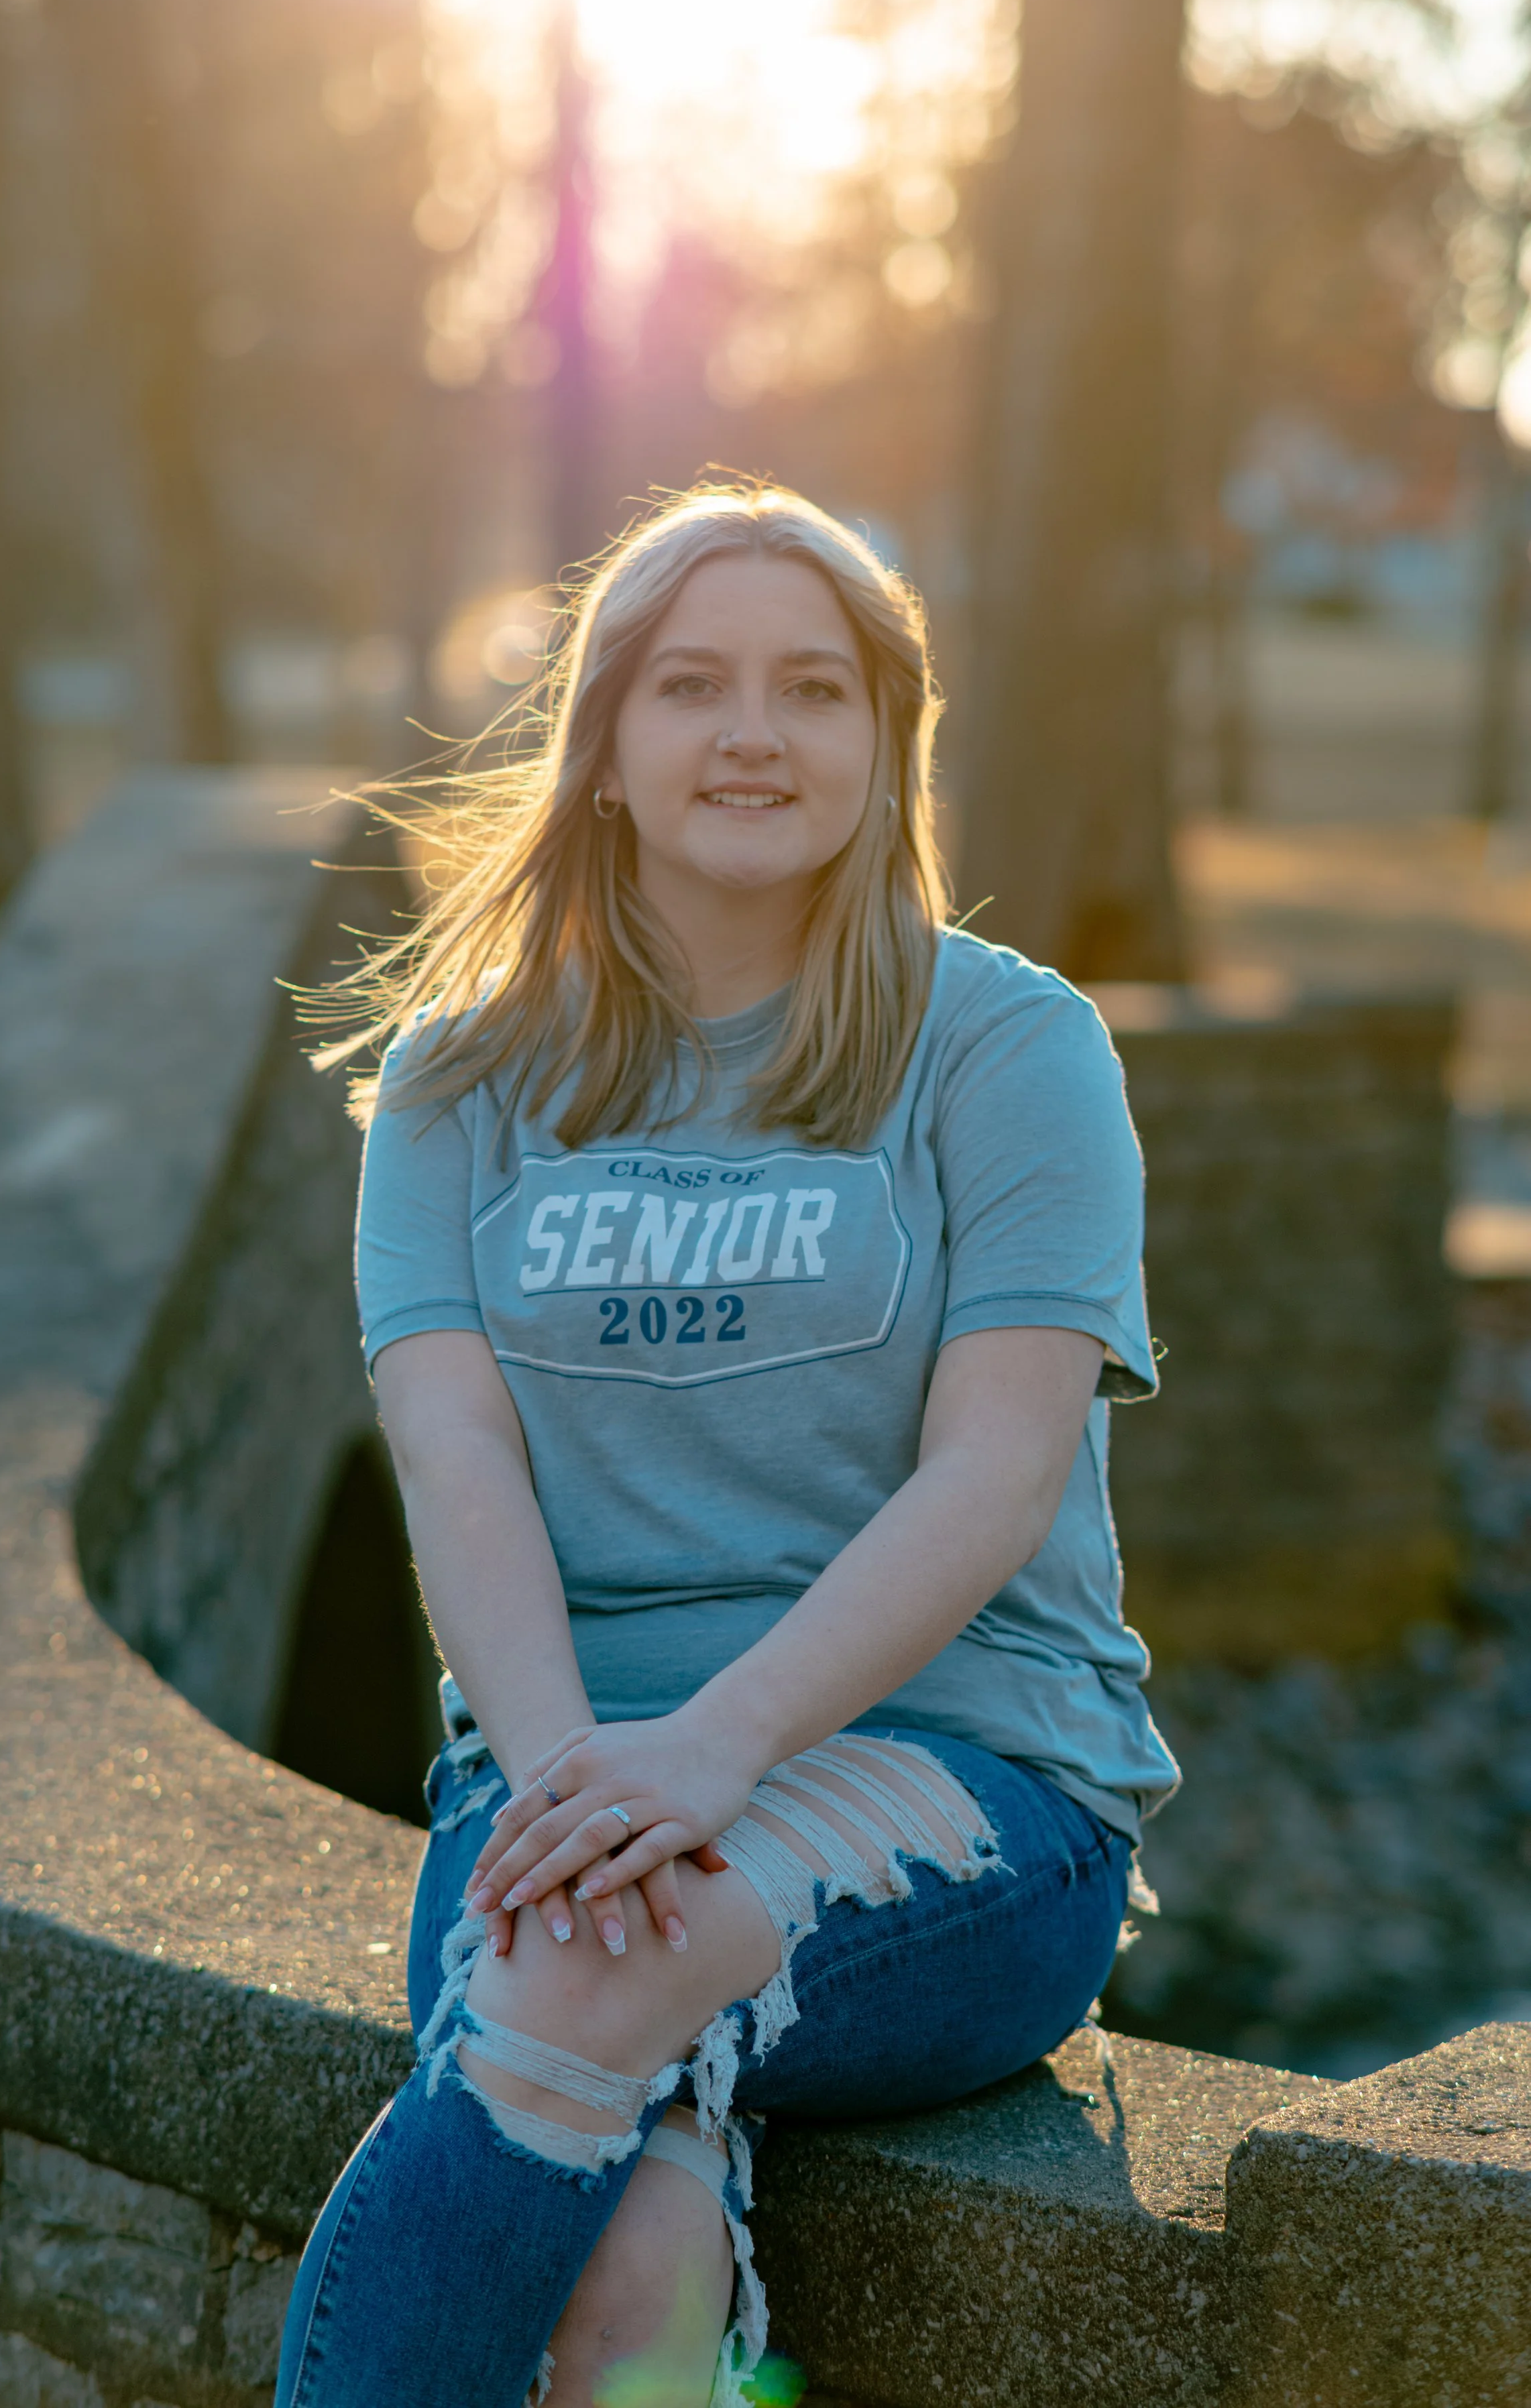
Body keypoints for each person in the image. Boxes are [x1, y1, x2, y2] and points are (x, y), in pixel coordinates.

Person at [276, 481, 1178, 2408]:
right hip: (552, 1780)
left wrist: (711, 1753)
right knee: (631, 2278)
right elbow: (458, 1466)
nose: (751, 732)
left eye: (810, 688)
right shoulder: (454, 1081)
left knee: (566, 1997)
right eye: (688, 684)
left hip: (971, 1778)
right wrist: (570, 1784)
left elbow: (993, 1475)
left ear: (884, 742)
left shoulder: (1007, 1050)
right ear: (602, 743)